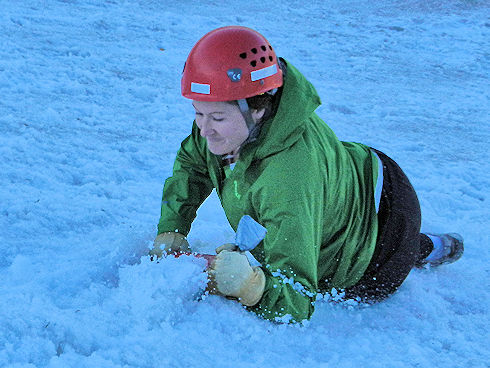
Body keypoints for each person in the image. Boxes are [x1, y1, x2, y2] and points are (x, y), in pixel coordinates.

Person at [150, 26, 464, 323]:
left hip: (379, 252)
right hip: (356, 178)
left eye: (216, 117)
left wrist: (250, 286)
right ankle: (425, 246)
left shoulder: (289, 184)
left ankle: (421, 249)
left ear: (257, 109)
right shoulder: (234, 119)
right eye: (198, 113)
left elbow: (297, 300)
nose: (203, 129)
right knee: (309, 224)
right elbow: (193, 162)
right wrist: (172, 227)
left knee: (398, 253)